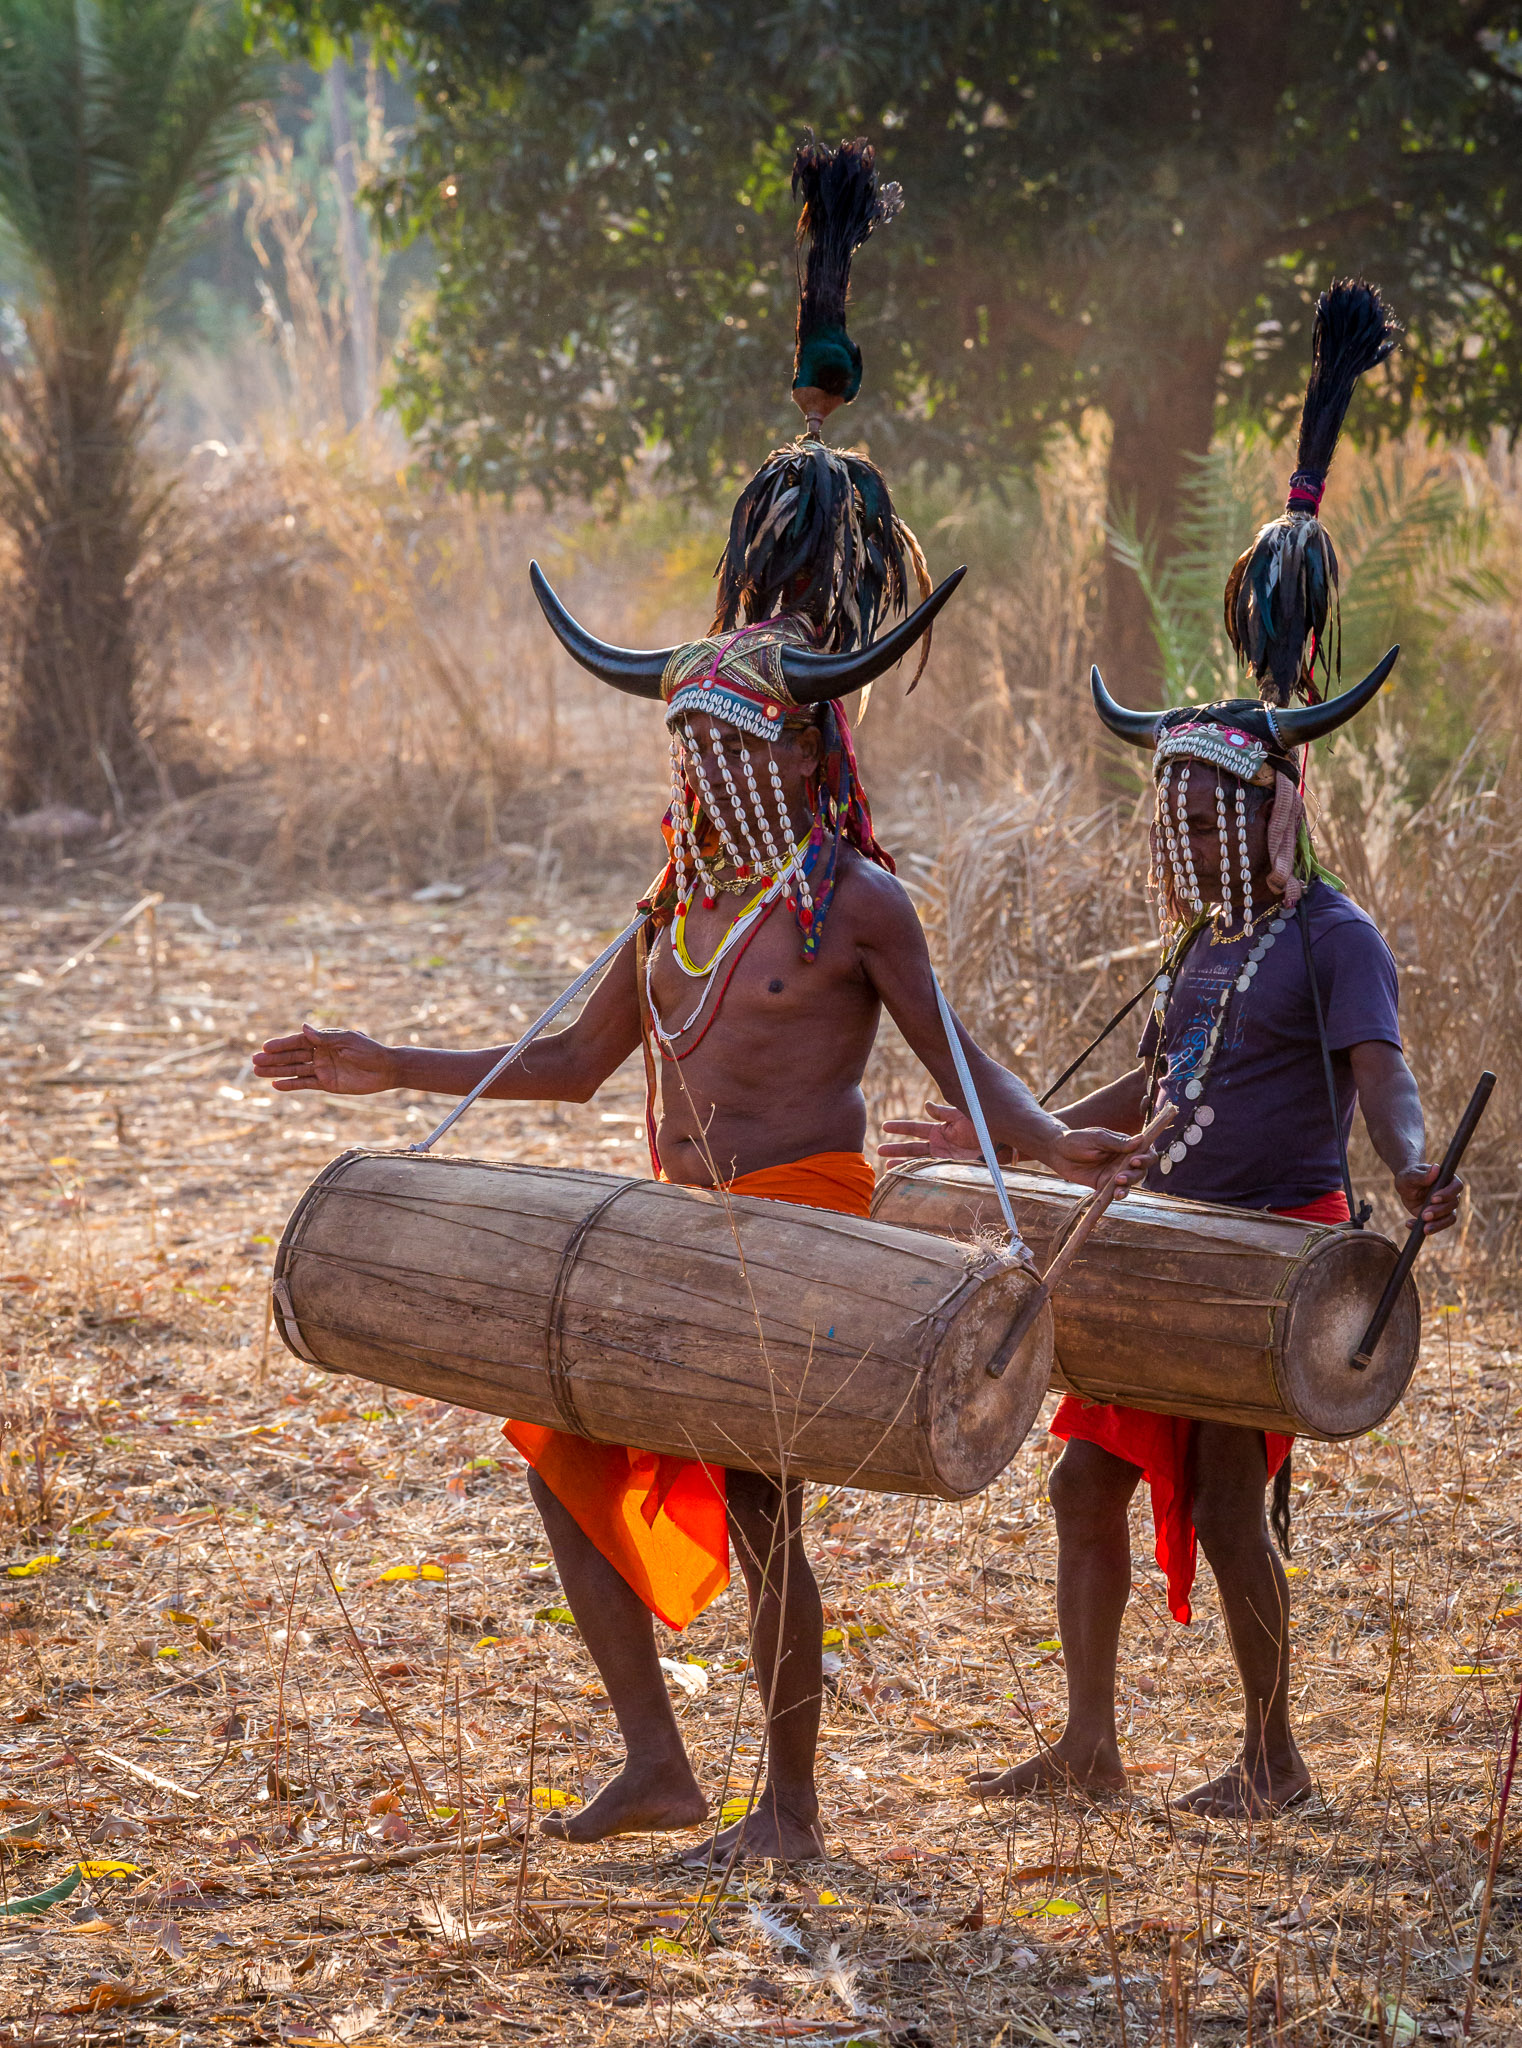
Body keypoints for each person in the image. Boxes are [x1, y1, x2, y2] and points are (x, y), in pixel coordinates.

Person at [253, 139, 1149, 1862]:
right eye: (686, 744)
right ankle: (662, 1763)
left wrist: (1076, 1151)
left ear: (797, 736)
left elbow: (974, 1082)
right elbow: (576, 1063)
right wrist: (387, 1067)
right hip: (678, 1227)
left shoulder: (856, 902)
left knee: (758, 1507)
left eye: (724, 739)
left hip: (796, 1225)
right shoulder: (678, 894)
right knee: (555, 1453)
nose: (697, 768)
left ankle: (791, 1808)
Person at [881, 282, 1463, 1818]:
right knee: (1079, 1476)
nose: (1183, 839)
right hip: (1157, 1241)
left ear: (1263, 809)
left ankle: (1273, 1757)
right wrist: (1002, 1134)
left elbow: (1378, 1081)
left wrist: (1412, 1167)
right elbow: (1159, 1090)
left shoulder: (1328, 932)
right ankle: (1089, 1748)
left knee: (1223, 1497)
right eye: (1174, 819)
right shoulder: (1205, 940)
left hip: (1276, 1252)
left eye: (1206, 815)